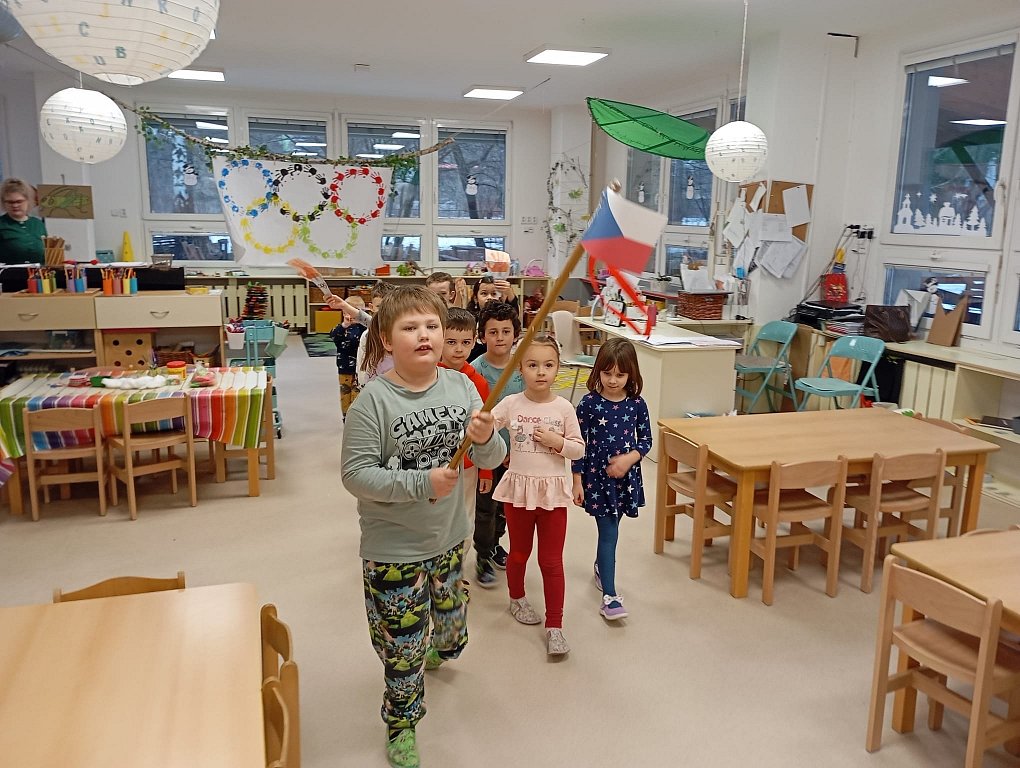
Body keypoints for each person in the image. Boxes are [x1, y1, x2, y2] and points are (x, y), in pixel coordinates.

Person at [341, 286, 506, 768]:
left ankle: (438, 646)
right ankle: (402, 723)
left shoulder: (462, 387)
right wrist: (422, 482)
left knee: (451, 635)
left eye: (432, 325)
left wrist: (486, 437)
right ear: (386, 340)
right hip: (395, 550)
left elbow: (491, 458)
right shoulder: (372, 402)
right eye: (410, 327)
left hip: (451, 539)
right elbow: (355, 475)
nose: (424, 335)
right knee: (403, 651)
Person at [491, 333, 584, 656]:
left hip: (552, 496)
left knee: (551, 561)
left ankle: (555, 625)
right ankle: (516, 598)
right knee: (519, 553)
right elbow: (487, 426)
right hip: (518, 492)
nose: (541, 372)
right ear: (520, 368)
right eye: (532, 365)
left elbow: (578, 450)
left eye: (548, 365)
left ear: (558, 368)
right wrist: (480, 423)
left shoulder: (564, 408)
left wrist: (558, 443)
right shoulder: (511, 403)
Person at [571, 338, 651, 620]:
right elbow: (578, 443)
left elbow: (646, 441)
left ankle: (600, 567)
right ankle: (610, 596)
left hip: (626, 479)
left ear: (631, 374)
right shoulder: (588, 404)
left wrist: (629, 459)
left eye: (620, 375)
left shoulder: (637, 404)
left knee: (613, 529)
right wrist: (577, 480)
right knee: (609, 534)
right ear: (598, 371)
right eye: (607, 373)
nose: (613, 380)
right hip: (598, 480)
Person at [472, 301, 525, 588]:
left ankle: (494, 545)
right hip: (486, 454)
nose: (500, 338)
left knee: (506, 506)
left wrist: (516, 450)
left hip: (515, 454)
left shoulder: (523, 369)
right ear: (482, 336)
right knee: (486, 509)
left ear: (516, 334)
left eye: (506, 331)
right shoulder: (475, 371)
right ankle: (482, 553)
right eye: (493, 332)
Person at [439, 307, 493, 570]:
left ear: (474, 342)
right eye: (451, 342)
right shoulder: (428, 376)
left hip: (469, 466)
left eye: (465, 342)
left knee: (465, 519)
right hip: (435, 464)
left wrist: (486, 471)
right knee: (437, 518)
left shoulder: (479, 383)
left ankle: (455, 572)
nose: (458, 349)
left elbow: (486, 432)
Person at [328, 294, 367, 421]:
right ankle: (345, 416)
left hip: (359, 369)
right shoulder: (342, 328)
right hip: (344, 368)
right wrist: (344, 325)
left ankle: (355, 418)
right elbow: (333, 336)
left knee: (357, 394)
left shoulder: (364, 328)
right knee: (345, 393)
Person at [466, 274, 518, 361]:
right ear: (475, 298)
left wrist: (509, 293)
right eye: (484, 293)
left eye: (494, 294)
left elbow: (513, 313)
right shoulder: (470, 319)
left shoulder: (503, 316)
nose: (489, 297)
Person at [0, 178, 46, 264]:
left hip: (38, 271)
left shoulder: (38, 224)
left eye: (19, 201)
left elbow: (46, 254)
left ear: (28, 201)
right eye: (10, 202)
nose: (15, 205)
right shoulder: (2, 224)